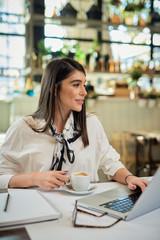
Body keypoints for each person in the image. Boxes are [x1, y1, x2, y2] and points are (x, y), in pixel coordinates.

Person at [0, 57, 149, 191]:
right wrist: (35, 178)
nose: (84, 91)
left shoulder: (91, 124)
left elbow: (110, 162)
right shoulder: (24, 127)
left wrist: (130, 178)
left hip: (86, 207)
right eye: (76, 85)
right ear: (54, 88)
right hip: (40, 211)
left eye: (84, 84)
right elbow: (2, 176)